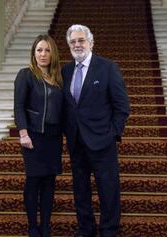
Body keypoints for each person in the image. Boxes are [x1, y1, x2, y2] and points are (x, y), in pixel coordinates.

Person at [61, 24, 130, 237]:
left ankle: (109, 230)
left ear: (91, 42)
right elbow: (66, 106)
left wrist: (112, 134)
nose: (77, 45)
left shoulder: (107, 68)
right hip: (76, 142)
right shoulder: (65, 71)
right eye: (73, 42)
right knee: (80, 190)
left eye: (81, 40)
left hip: (102, 141)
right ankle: (86, 229)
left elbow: (122, 106)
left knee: (108, 190)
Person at [14, 34, 63, 237]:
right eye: (39, 50)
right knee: (33, 182)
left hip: (53, 138)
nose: (43, 54)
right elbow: (19, 106)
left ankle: (46, 226)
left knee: (49, 183)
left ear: (53, 54)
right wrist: (23, 133)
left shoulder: (59, 78)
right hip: (33, 136)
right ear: (33, 53)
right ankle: (32, 226)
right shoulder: (26, 75)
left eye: (47, 50)